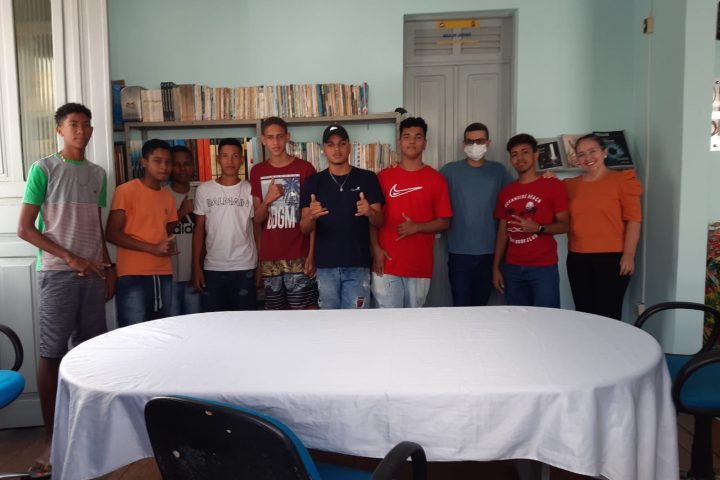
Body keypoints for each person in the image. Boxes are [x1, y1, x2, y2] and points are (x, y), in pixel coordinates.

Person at [16, 102, 114, 478]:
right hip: (58, 273)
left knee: (91, 352)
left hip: (93, 274)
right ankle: (51, 438)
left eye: (86, 125)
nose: (81, 131)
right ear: (60, 129)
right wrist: (71, 258)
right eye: (73, 124)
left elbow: (96, 227)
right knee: (53, 352)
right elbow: (25, 228)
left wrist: (108, 266)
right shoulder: (43, 169)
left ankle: (88, 429)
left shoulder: (98, 174)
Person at [299, 124, 384, 309]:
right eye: (331, 144)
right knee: (330, 323)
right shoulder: (314, 182)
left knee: (357, 322)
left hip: (358, 264)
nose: (336, 149)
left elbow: (379, 221)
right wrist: (311, 216)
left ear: (349, 146)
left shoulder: (367, 178)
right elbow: (304, 228)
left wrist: (370, 212)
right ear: (324, 149)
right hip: (325, 266)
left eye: (341, 143)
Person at [372, 116, 453, 308]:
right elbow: (373, 219)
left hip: (419, 266)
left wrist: (417, 227)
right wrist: (375, 248)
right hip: (387, 263)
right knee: (388, 322)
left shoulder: (436, 179)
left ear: (425, 142)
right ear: (399, 142)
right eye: (406, 136)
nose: (412, 141)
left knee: (415, 323)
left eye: (418, 137)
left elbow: (445, 221)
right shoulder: (383, 176)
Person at [565, 133, 643, 320]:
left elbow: (633, 220)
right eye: (581, 154)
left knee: (608, 315)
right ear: (577, 159)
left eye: (592, 151)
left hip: (612, 259)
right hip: (577, 258)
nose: (587, 158)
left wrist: (629, 255)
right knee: (583, 313)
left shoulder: (622, 180)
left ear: (604, 152)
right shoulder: (569, 185)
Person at [106, 138, 178, 326]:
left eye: (168, 162)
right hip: (133, 272)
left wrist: (166, 246)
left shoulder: (168, 196)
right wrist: (153, 248)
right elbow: (111, 233)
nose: (164, 166)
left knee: (162, 329)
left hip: (163, 271)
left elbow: (163, 231)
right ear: (144, 162)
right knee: (133, 331)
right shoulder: (126, 191)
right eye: (157, 161)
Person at [491, 134, 569, 308]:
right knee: (517, 319)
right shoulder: (506, 192)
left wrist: (538, 228)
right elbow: (502, 233)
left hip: (543, 267)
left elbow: (565, 225)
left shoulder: (553, 185)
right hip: (512, 267)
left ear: (536, 155)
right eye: (514, 154)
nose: (519, 158)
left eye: (525, 152)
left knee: (547, 318)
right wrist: (496, 268)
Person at [440, 122, 513, 306]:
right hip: (458, 253)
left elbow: (518, 194)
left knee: (481, 308)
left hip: (490, 252)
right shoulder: (449, 171)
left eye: (479, 141)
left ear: (488, 143)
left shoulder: (499, 171)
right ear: (463, 144)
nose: (474, 145)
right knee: (460, 306)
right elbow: (428, 190)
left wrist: (546, 178)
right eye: (469, 141)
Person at [250, 116, 319, 309]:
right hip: (270, 257)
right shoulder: (257, 171)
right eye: (270, 137)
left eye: (280, 136)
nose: (276, 142)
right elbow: (257, 219)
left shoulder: (304, 168)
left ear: (288, 137)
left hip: (299, 254)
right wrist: (268, 199)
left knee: (303, 313)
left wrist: (312, 255)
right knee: (275, 317)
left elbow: (313, 217)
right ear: (263, 139)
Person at [192, 138, 257, 311]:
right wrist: (196, 267)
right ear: (218, 159)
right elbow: (199, 230)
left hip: (244, 265)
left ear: (241, 160)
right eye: (225, 156)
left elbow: (257, 228)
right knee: (214, 321)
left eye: (235, 156)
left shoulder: (250, 189)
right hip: (213, 266)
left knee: (245, 320)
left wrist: (260, 266)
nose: (230, 161)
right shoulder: (204, 190)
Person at [165, 145, 200, 315]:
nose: (182, 169)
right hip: (169, 274)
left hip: (195, 272)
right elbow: (159, 233)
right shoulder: (162, 194)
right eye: (176, 164)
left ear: (193, 166)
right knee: (171, 323)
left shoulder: (200, 194)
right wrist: (182, 212)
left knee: (195, 321)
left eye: (186, 164)